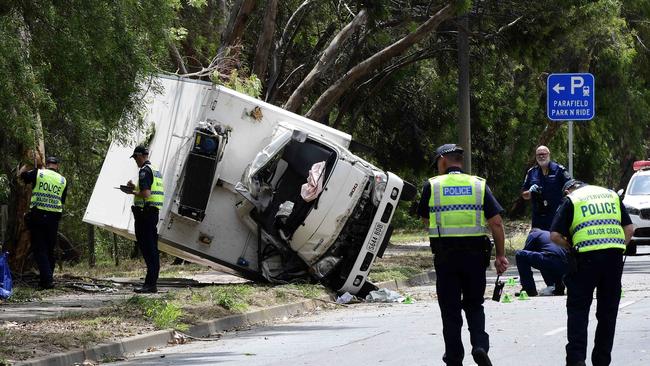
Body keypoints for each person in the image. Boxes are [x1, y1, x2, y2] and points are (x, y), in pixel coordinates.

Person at [417, 143, 509, 366]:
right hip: (475, 256)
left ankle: (454, 359)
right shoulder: (478, 185)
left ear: (442, 161)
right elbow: (496, 223)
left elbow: (424, 218)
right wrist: (500, 256)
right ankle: (479, 345)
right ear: (459, 160)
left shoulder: (433, 185)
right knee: (475, 304)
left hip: (446, 256)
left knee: (450, 311)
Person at [550, 179, 634, 366]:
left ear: (569, 190)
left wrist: (570, 247)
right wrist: (618, 247)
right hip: (613, 259)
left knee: (578, 310)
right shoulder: (611, 195)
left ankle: (577, 359)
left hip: (584, 259)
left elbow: (554, 235)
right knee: (608, 313)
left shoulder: (572, 199)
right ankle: (602, 361)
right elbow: (629, 229)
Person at [19, 156, 68, 289]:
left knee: (40, 249)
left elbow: (22, 176)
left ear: (47, 164)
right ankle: (47, 278)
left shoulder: (38, 173)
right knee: (49, 249)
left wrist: (28, 165)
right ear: (57, 166)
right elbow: (61, 200)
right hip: (54, 218)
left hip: (39, 215)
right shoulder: (63, 180)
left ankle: (47, 280)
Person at [121, 146, 165, 293]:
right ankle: (150, 282)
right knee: (152, 248)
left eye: (135, 158)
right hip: (152, 212)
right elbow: (150, 191)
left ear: (140, 156)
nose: (135, 161)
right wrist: (135, 187)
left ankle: (150, 284)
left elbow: (146, 194)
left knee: (148, 249)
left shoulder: (144, 171)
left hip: (145, 214)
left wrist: (131, 191)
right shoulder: (155, 170)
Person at [521, 145, 572, 230]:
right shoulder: (531, 172)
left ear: (549, 154)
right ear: (536, 156)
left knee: (556, 241)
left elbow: (571, 188)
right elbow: (524, 194)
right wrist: (529, 192)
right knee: (539, 241)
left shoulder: (559, 170)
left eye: (543, 154)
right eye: (539, 155)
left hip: (556, 215)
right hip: (538, 217)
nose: (541, 156)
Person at [515, 229, 568, 297]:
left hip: (551, 259)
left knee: (520, 255)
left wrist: (523, 279)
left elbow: (526, 253)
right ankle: (558, 288)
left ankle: (529, 290)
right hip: (565, 264)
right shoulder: (550, 234)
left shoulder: (533, 234)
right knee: (546, 257)